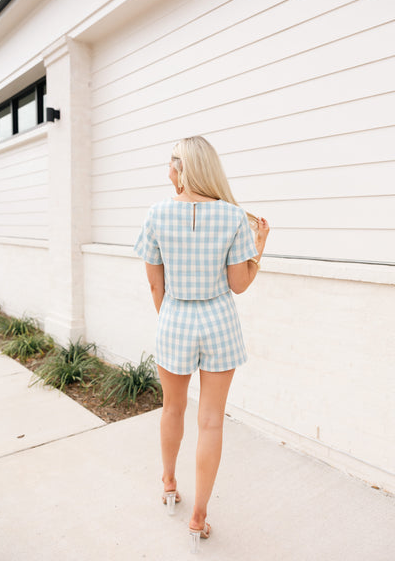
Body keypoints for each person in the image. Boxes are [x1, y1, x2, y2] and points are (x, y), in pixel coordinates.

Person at [133, 135, 269, 553]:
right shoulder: (232, 218)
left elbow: (155, 283)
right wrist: (259, 249)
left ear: (182, 168)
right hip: (220, 321)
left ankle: (170, 483)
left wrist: (172, 317)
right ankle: (199, 516)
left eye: (170, 163)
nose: (167, 172)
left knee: (172, 408)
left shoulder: (156, 214)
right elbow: (238, 285)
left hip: (175, 316)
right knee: (211, 421)